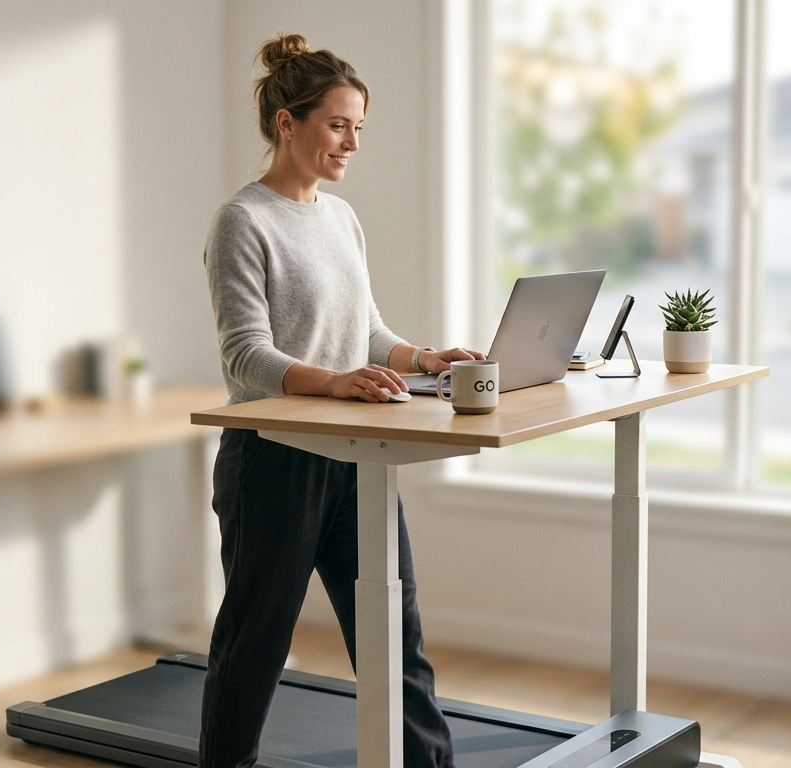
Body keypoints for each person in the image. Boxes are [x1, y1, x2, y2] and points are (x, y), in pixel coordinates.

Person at [200, 31, 482, 768]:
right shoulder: (244, 220)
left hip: (356, 455)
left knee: (395, 637)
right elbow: (244, 354)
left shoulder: (340, 218)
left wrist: (422, 357)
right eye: (337, 124)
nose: (351, 142)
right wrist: (335, 380)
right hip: (273, 461)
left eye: (359, 127)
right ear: (286, 124)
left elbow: (364, 331)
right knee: (256, 644)